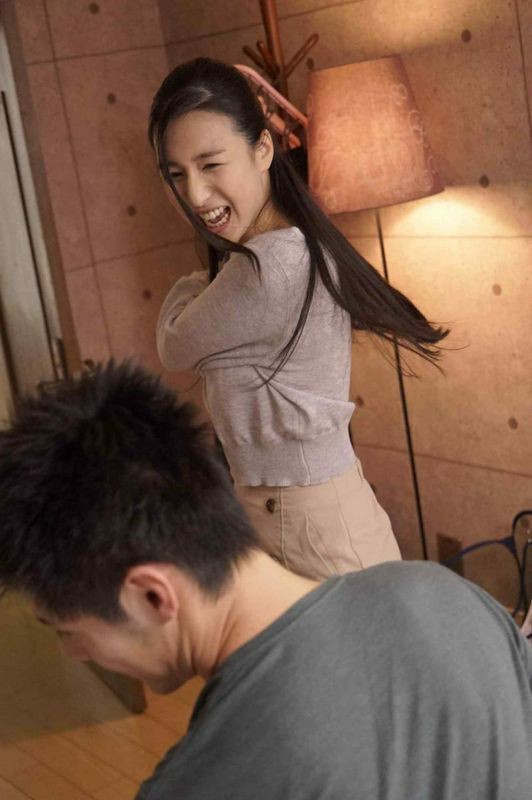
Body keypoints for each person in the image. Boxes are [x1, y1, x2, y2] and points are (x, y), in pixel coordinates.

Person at [0, 361, 530, 800]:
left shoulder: (203, 781)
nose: (74, 653)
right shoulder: (449, 594)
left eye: (67, 630)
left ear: (151, 595)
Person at [148, 57, 449, 580]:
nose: (194, 194)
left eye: (211, 164)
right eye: (177, 175)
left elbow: (174, 345)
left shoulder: (269, 267)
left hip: (311, 527)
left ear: (263, 149)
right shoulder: (279, 251)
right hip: (289, 514)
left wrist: (195, 285)